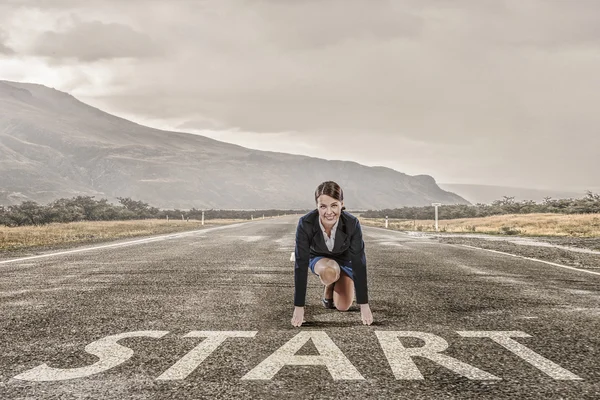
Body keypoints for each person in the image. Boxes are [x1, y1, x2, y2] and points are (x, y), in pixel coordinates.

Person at [291, 181, 373, 327]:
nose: (329, 212)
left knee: (343, 306)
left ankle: (334, 283)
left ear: (341, 204)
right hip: (319, 259)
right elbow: (300, 265)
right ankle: (329, 281)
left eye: (334, 205)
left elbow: (359, 262)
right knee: (330, 270)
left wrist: (364, 305)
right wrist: (299, 307)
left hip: (344, 260)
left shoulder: (352, 223)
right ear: (317, 206)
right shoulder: (305, 223)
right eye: (323, 206)